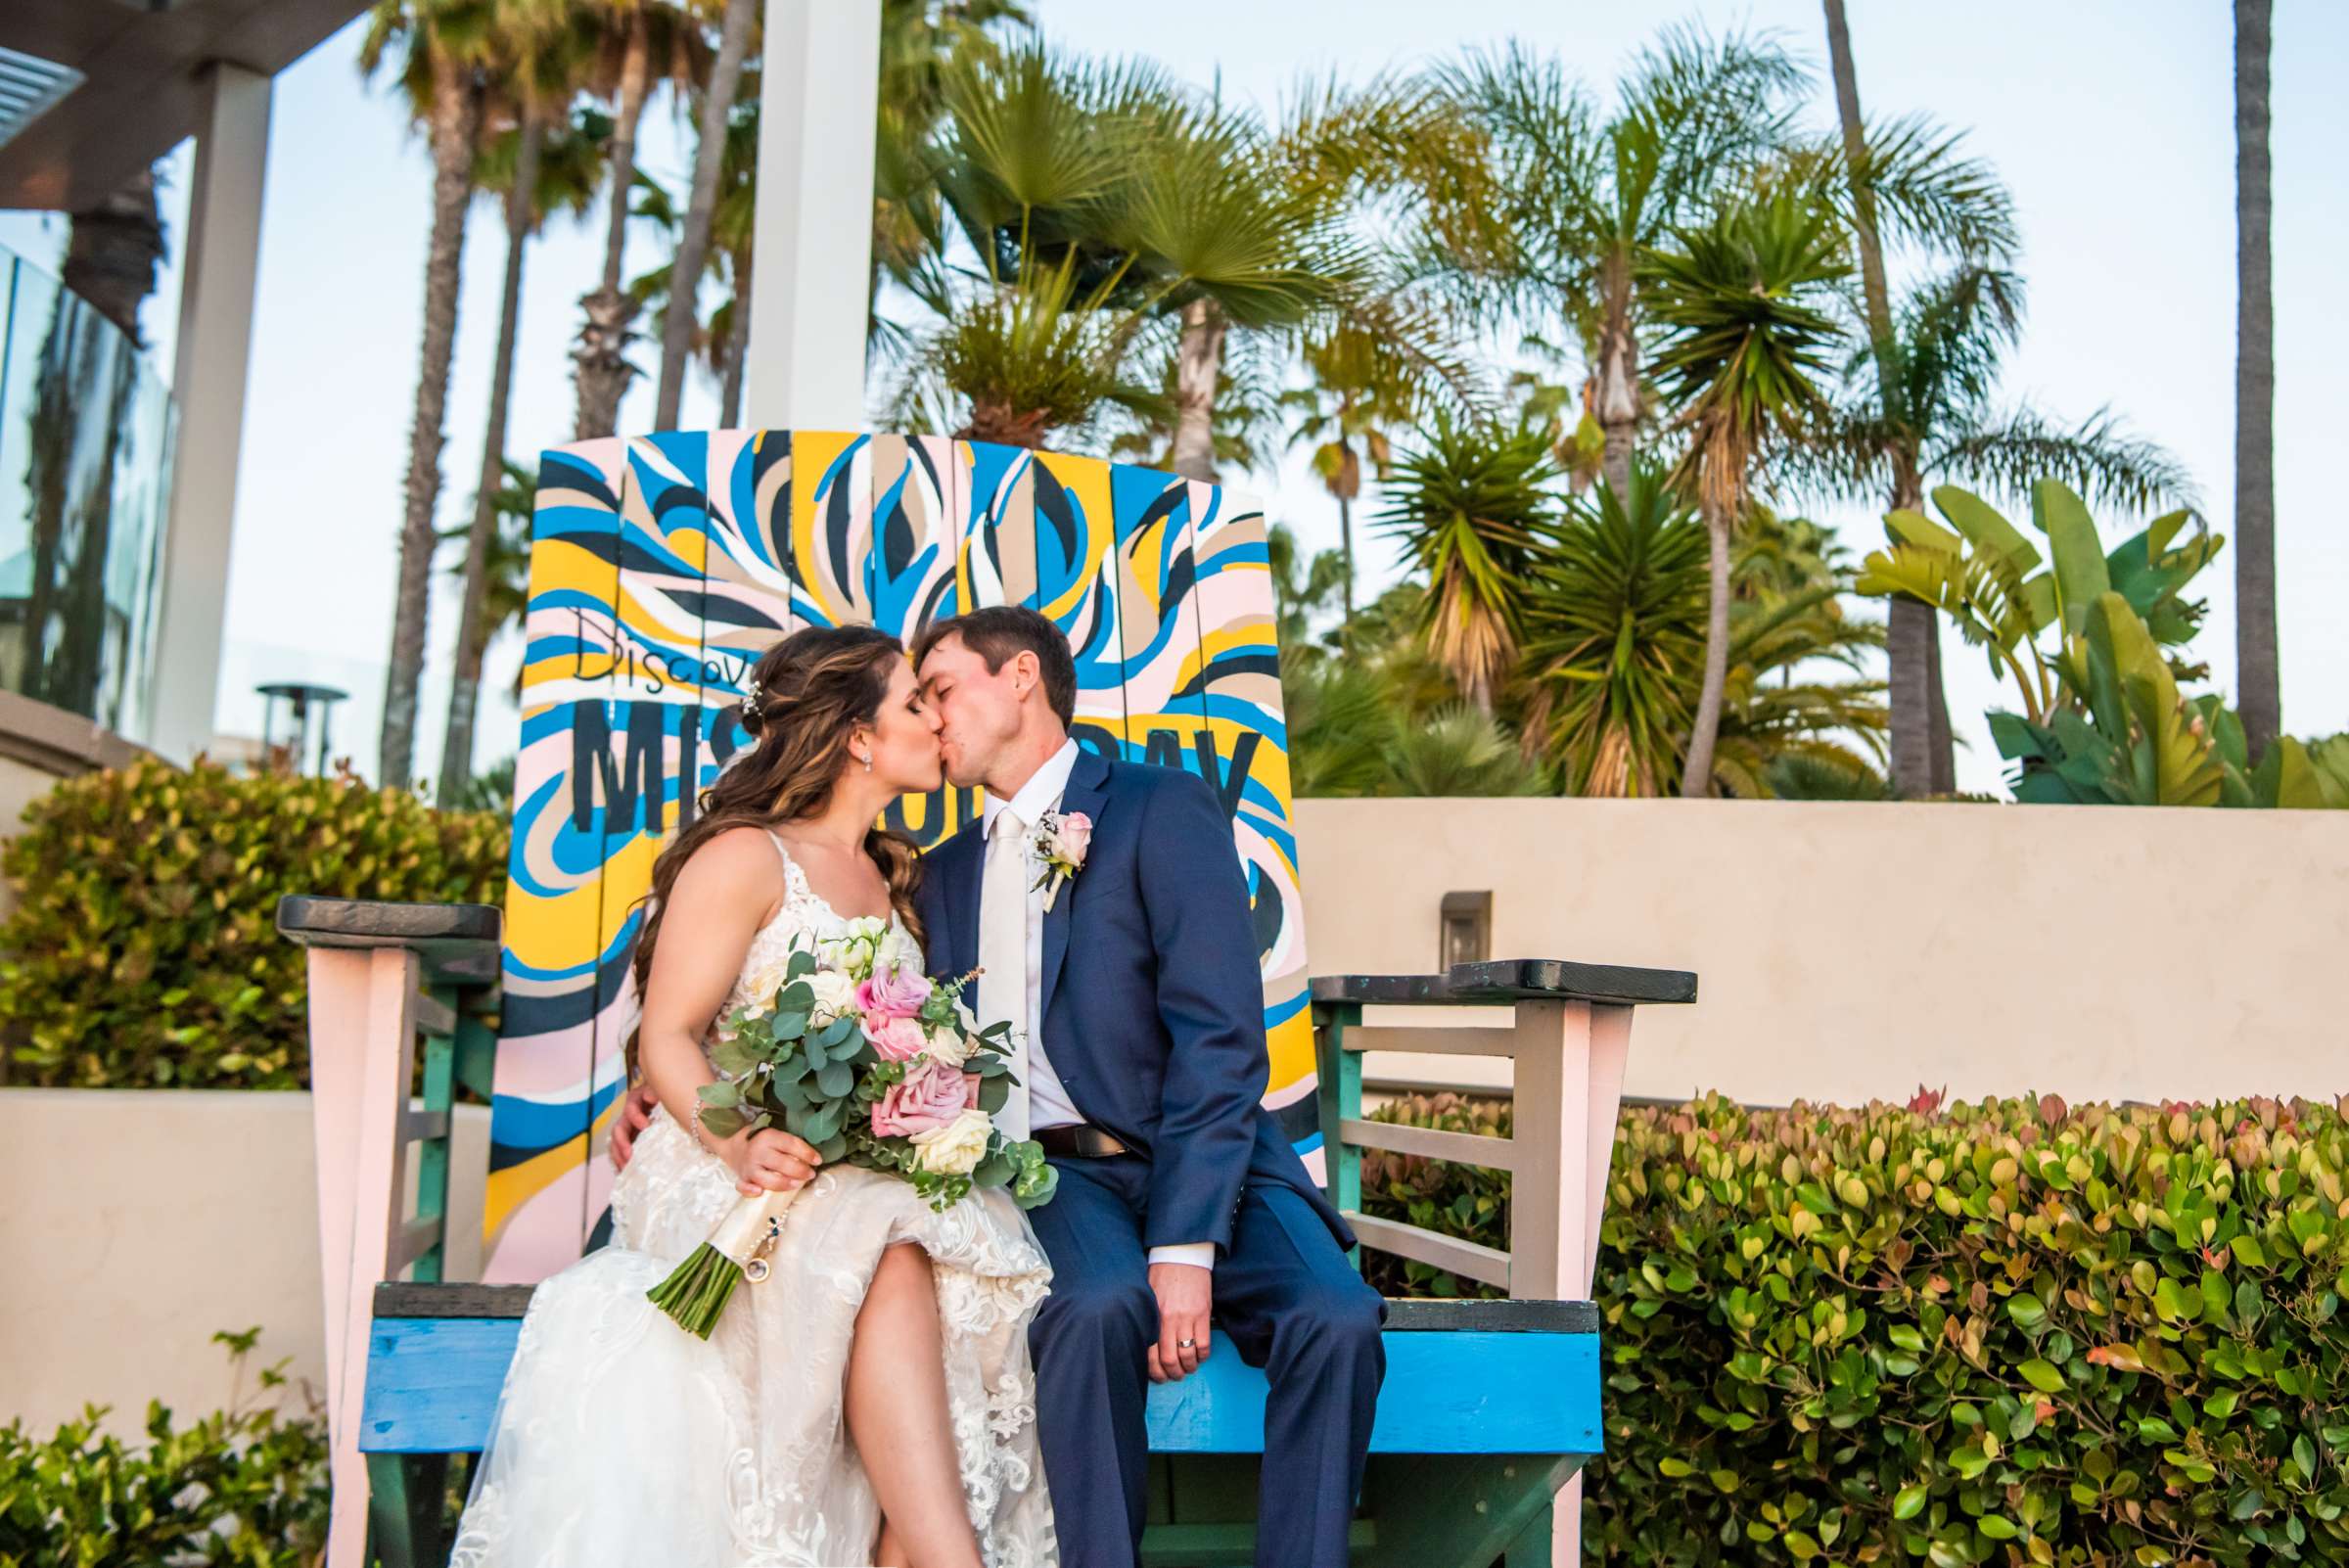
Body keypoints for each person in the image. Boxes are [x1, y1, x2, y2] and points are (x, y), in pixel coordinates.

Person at [454, 624, 1057, 1568]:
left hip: (857, 1168)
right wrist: (734, 1140)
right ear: (859, 737)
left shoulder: (900, 879)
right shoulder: (746, 856)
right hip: (736, 1173)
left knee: (938, 1266)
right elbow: (668, 1033)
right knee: (890, 1249)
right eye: (913, 702)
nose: (934, 720)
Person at [910, 607, 1386, 1568]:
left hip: (1207, 1159)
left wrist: (1186, 1245)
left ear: (1019, 680)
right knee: (1091, 1312)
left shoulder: (1160, 806)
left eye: (941, 689)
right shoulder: (943, 874)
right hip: (1054, 1178)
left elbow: (1220, 1037)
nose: (929, 718)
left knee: (1337, 1320)